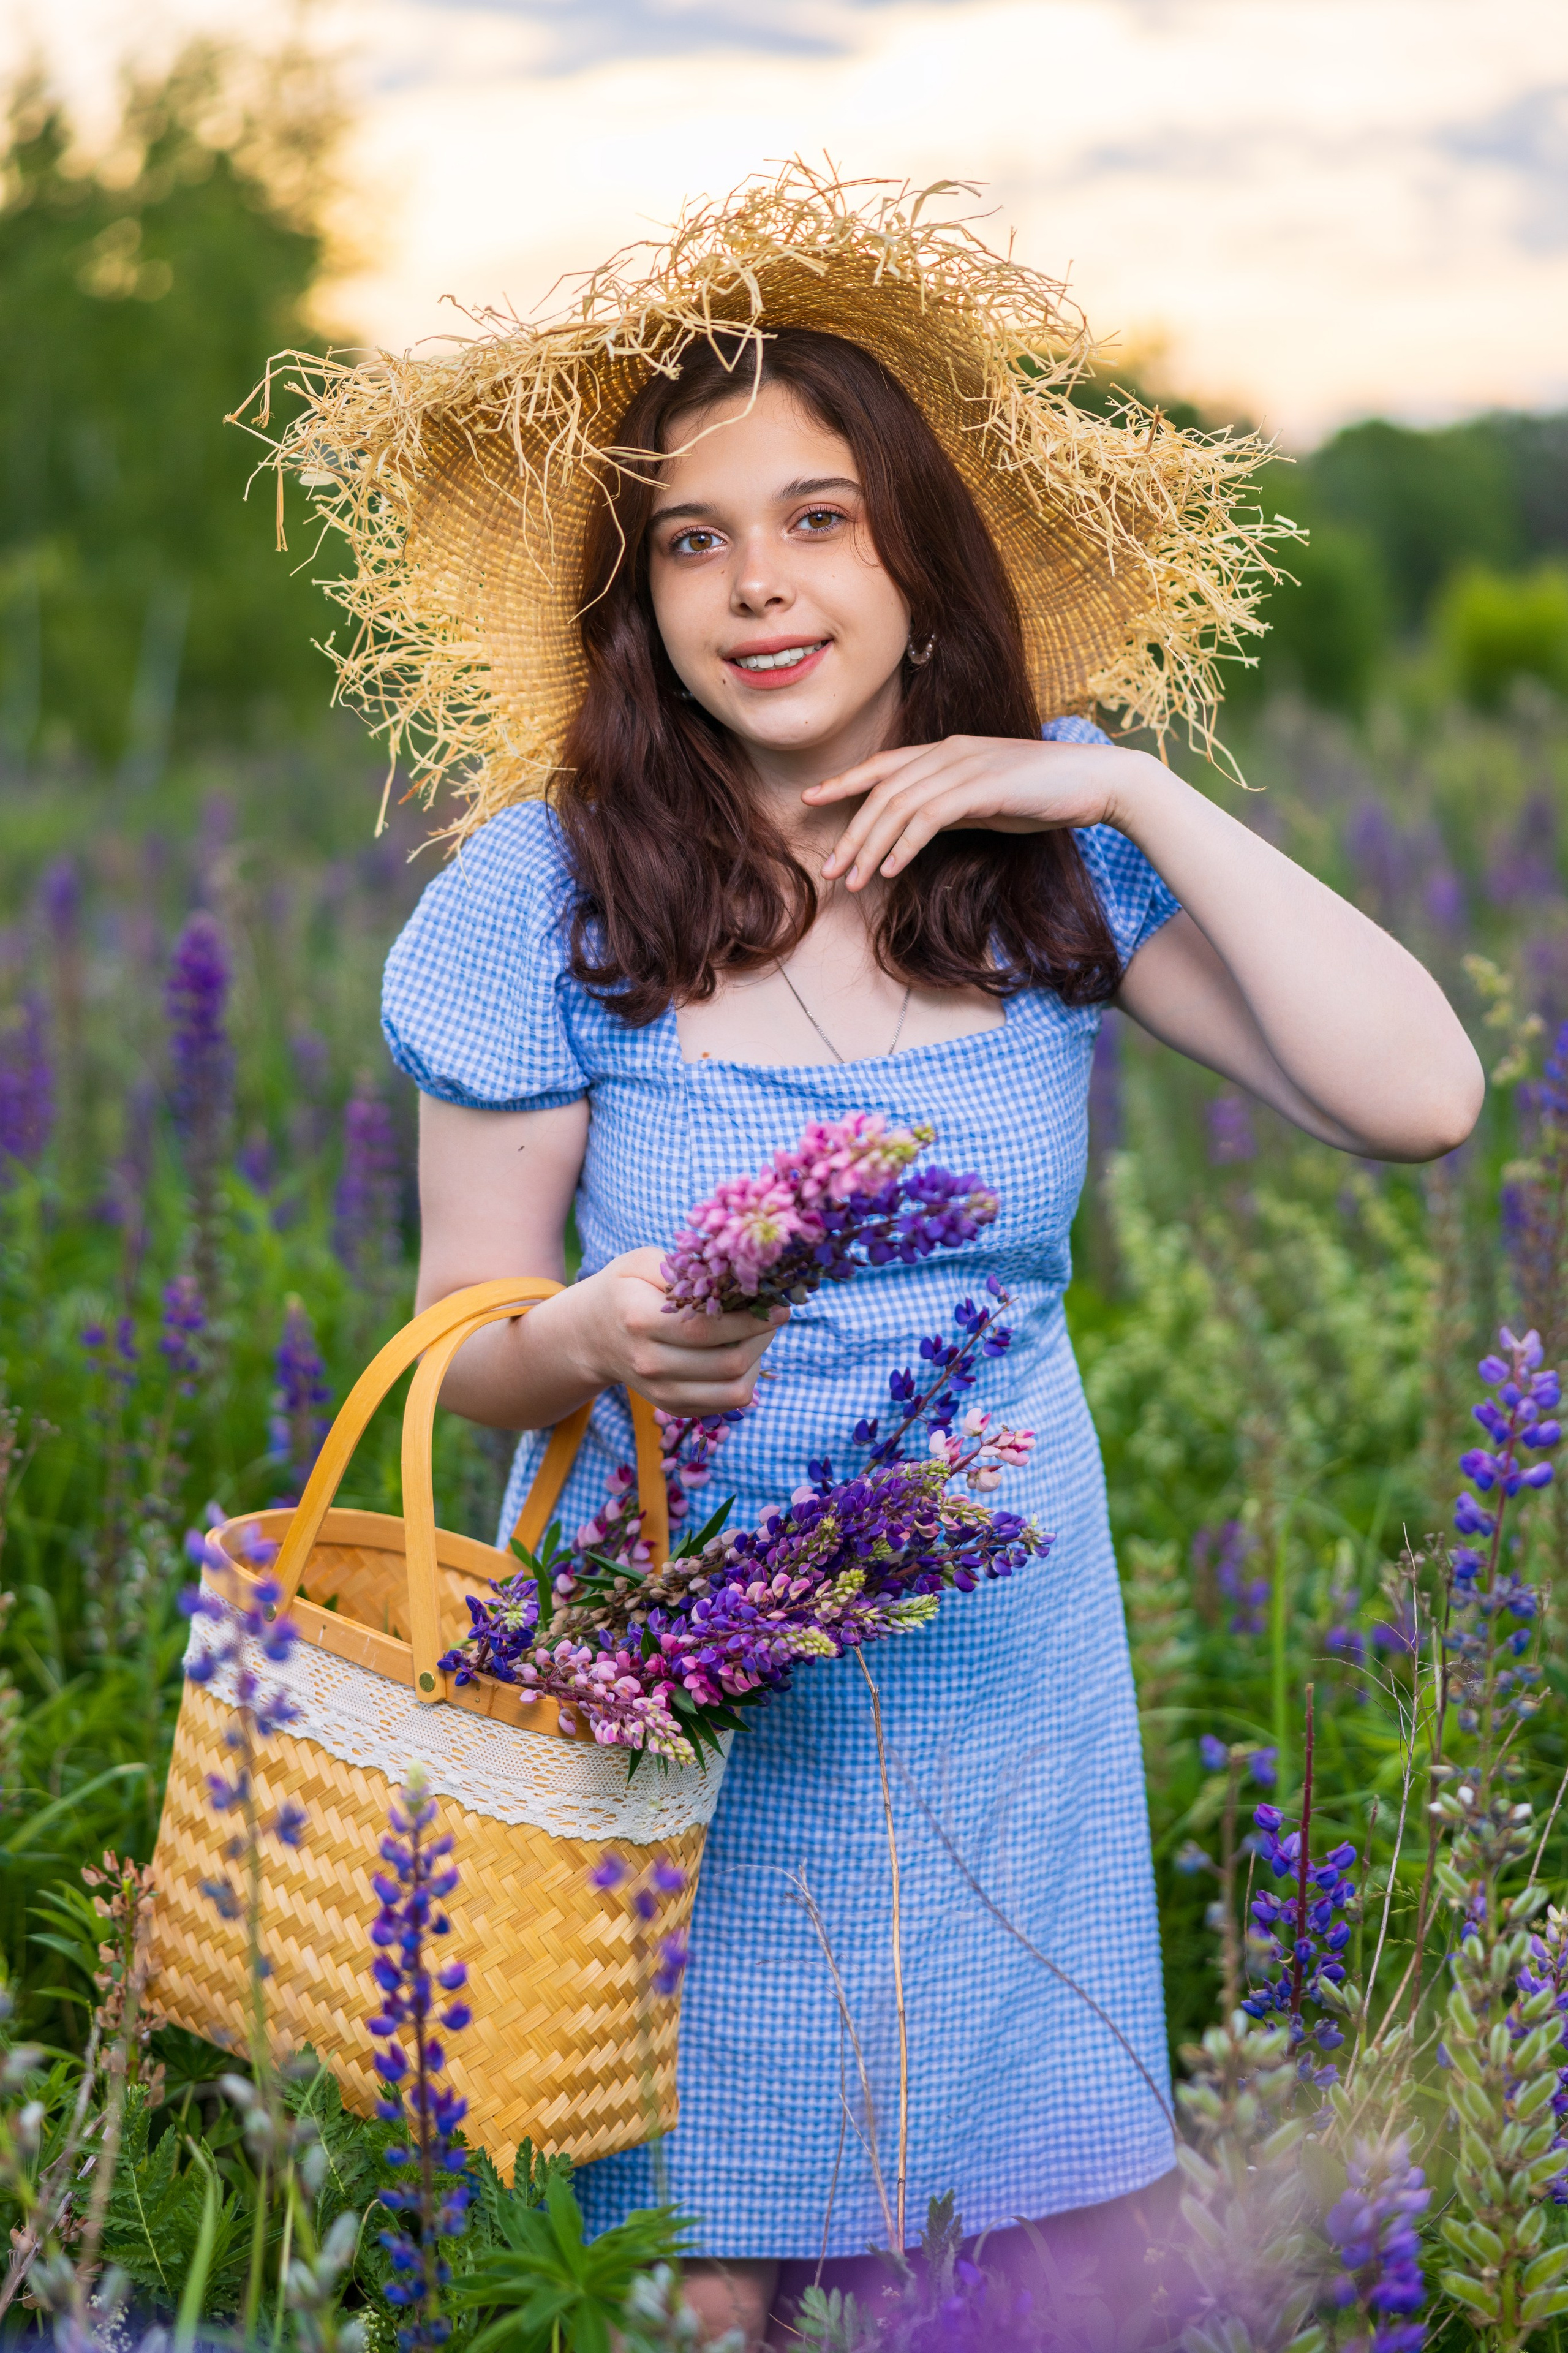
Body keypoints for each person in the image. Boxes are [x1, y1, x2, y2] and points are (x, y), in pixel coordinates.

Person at [280, 168, 1482, 2346]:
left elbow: (1420, 1097)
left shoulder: (1045, 868)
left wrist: (1127, 797)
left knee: (1016, 2262)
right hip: (676, 1674)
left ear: (920, 557)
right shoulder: (541, 893)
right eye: (696, 539)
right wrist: (598, 1331)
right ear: (634, 599)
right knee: (702, 2275)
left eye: (821, 519)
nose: (761, 589)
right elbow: (458, 1337)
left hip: (1001, 1662)